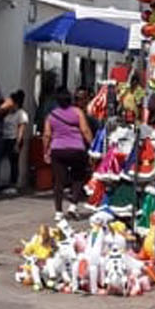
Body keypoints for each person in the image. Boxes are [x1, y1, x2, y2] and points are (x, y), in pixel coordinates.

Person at [43, 87, 94, 215]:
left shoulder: (51, 115)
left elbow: (47, 135)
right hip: (76, 149)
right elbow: (85, 130)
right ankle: (73, 205)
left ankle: (58, 212)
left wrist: (46, 151)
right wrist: (92, 146)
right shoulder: (77, 112)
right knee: (78, 177)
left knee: (59, 181)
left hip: (58, 150)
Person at [2, 90, 32, 193]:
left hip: (14, 138)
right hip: (5, 137)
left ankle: (13, 184)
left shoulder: (21, 114)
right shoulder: (8, 113)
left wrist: (17, 143)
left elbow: (21, 129)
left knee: (14, 162)